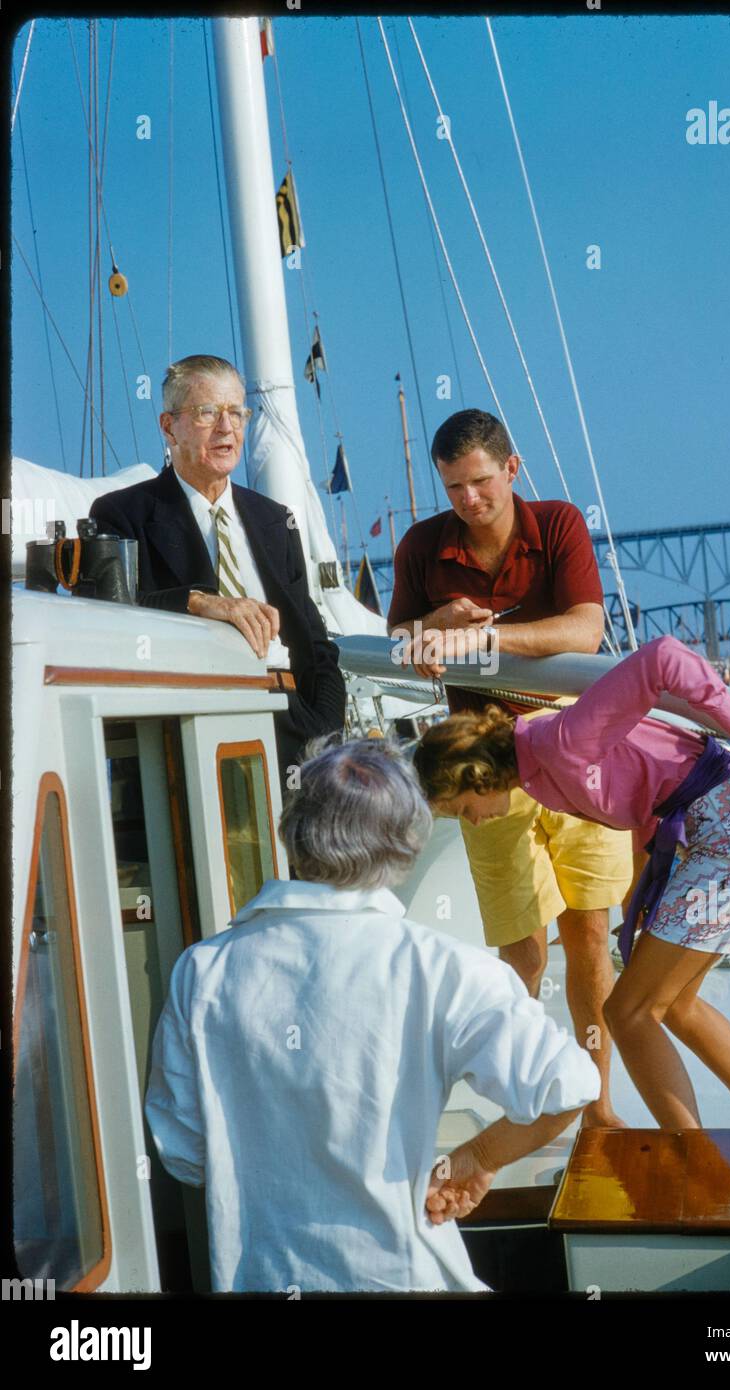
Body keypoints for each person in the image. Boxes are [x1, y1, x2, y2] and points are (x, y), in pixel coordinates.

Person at [144, 739, 600, 1294]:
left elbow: (185, 1151)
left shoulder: (203, 970)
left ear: (293, 831)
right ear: (405, 846)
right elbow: (569, 1087)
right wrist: (478, 1156)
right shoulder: (441, 967)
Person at [414, 635, 730, 1131]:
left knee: (627, 1013)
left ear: (478, 777)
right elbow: (642, 797)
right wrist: (641, 902)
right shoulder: (540, 770)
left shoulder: (559, 741)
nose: (474, 823)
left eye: (464, 810)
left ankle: (692, 1162)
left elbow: (664, 658)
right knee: (675, 1005)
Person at [388, 408, 634, 1128]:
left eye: (481, 482)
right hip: (484, 761)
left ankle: (599, 1106)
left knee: (590, 931)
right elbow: (398, 638)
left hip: (576, 743)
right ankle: (522, 1099)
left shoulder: (556, 524)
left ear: (512, 469)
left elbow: (586, 629)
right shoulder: (421, 548)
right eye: (454, 487)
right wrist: (432, 630)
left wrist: (482, 640)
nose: (469, 500)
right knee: (519, 943)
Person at [89, 354, 346, 789]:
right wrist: (199, 602)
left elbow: (318, 646)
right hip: (183, 735)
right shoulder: (122, 514)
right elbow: (106, 614)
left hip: (292, 730)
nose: (226, 427)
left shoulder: (275, 520)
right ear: (169, 427)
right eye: (208, 413)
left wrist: (322, 736)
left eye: (236, 412)